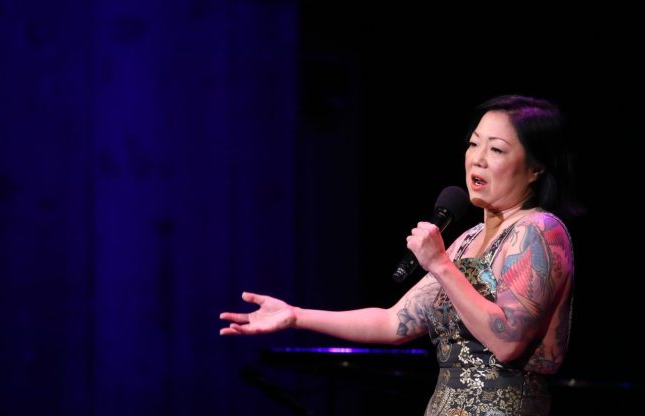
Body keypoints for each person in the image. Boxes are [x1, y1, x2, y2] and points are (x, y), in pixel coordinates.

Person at [220, 95, 579, 416]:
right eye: (473, 145)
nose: (478, 159)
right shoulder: (466, 241)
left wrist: (439, 265)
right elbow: (394, 323)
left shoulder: (540, 230)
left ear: (536, 168)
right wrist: (296, 316)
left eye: (496, 150)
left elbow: (507, 342)